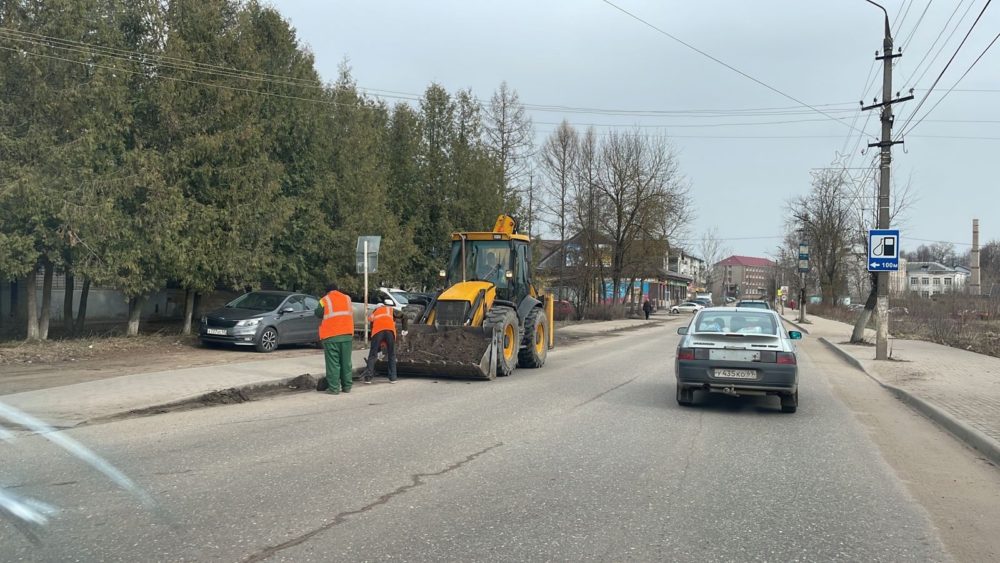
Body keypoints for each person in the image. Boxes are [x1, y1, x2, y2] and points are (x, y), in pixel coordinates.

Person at [315, 282, 354, 394]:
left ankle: (334, 388)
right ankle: (347, 387)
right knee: (346, 362)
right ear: (338, 289)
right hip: (347, 335)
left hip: (331, 336)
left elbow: (318, 313)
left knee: (333, 363)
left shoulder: (324, 300)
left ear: (327, 291)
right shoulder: (347, 298)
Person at [363, 301, 400, 384]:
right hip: (390, 332)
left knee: (372, 354)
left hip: (377, 332)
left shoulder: (375, 312)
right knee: (391, 354)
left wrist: (378, 349)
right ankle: (393, 378)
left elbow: (373, 329)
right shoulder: (390, 310)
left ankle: (368, 377)